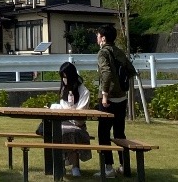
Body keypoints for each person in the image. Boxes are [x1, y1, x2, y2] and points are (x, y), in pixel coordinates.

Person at [95, 24, 136, 178]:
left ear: (103, 38)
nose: (97, 37)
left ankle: (108, 168)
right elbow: (131, 71)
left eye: (98, 35)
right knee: (119, 133)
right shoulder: (119, 52)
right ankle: (124, 166)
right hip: (122, 98)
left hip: (109, 99)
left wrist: (105, 94)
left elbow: (105, 74)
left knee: (103, 132)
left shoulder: (103, 53)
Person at [50, 61, 92, 178]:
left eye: (65, 77)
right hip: (64, 121)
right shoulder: (64, 90)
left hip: (77, 124)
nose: (64, 80)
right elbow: (64, 107)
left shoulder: (84, 92)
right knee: (54, 130)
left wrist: (68, 111)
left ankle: (75, 166)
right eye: (62, 77)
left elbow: (80, 113)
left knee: (71, 132)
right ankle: (60, 164)